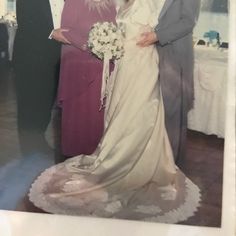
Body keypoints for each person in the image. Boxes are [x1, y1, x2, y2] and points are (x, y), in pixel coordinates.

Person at [29, 0, 201, 223]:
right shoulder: (123, 2)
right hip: (122, 63)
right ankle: (113, 156)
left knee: (139, 113)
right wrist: (105, 40)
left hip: (143, 61)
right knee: (118, 114)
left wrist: (155, 36)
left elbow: (178, 22)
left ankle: (134, 164)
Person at [137, 0, 201, 163]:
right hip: (150, 54)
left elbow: (188, 22)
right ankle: (154, 161)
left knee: (171, 113)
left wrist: (157, 36)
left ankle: (170, 164)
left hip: (174, 55)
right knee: (153, 109)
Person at [51, 0, 116, 157]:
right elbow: (65, 32)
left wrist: (111, 45)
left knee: (97, 113)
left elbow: (116, 31)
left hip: (102, 68)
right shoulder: (74, 1)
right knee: (78, 112)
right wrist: (93, 44)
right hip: (77, 66)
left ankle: (96, 155)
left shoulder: (111, 3)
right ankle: (75, 154)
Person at [13, 0, 64, 155]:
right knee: (29, 103)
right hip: (31, 53)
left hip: (57, 53)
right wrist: (52, 33)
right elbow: (27, 19)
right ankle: (29, 151)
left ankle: (38, 142)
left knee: (47, 100)